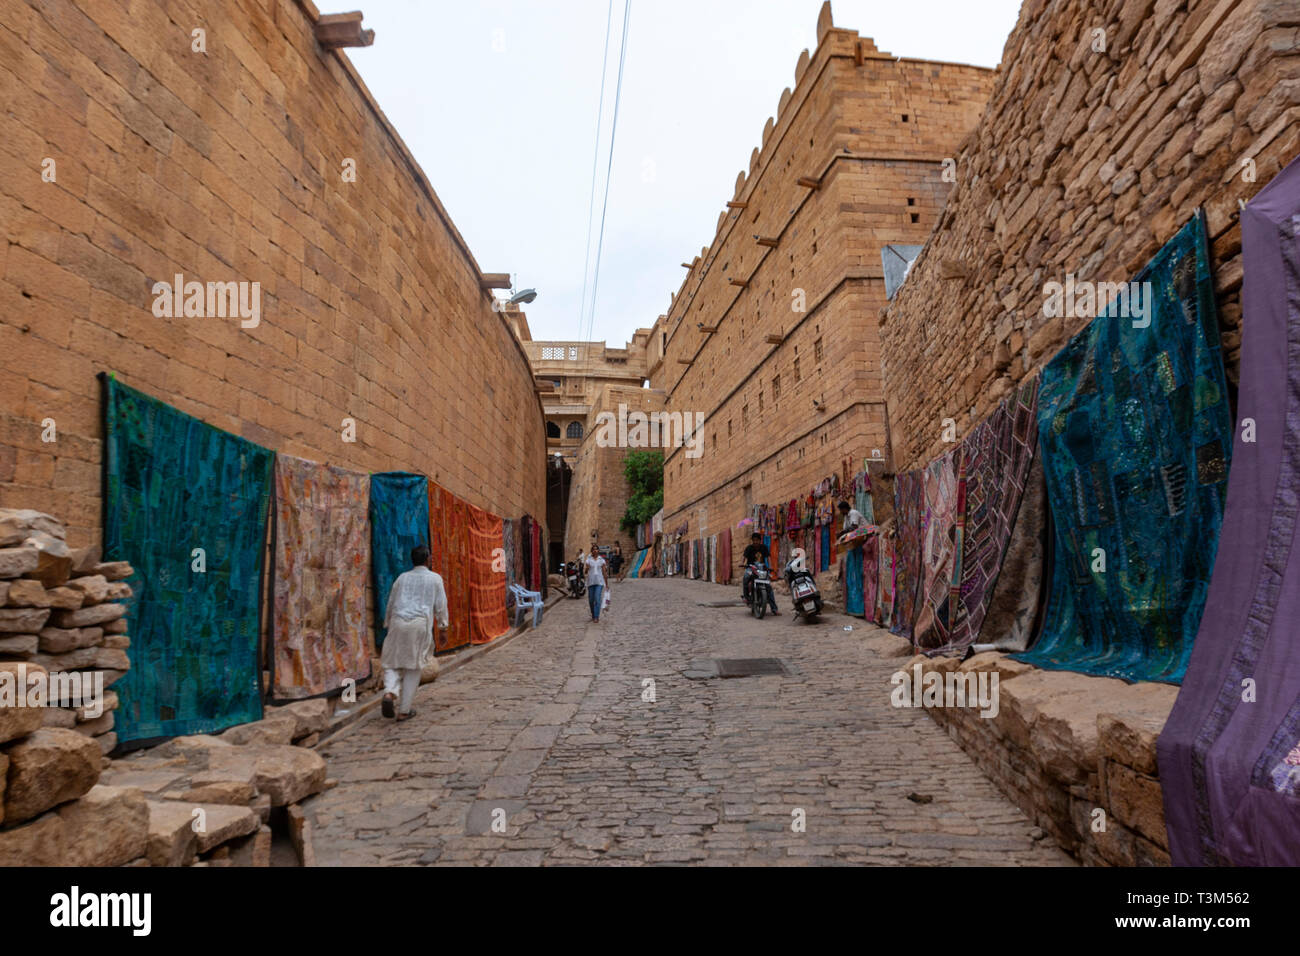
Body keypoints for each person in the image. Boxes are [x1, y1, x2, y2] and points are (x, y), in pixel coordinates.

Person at [381, 545, 448, 721]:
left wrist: (388, 622)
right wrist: (443, 627)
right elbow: (441, 605)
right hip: (418, 625)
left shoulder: (402, 578)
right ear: (428, 559)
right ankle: (404, 710)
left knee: (391, 661)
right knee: (413, 666)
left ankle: (389, 692)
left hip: (398, 621)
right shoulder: (435, 579)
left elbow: (391, 601)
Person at [741, 532, 778, 615]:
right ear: (752, 541)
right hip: (751, 568)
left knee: (768, 587)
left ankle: (774, 609)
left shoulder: (764, 548)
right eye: (754, 540)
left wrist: (770, 566)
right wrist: (743, 563)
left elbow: (768, 557)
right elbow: (744, 557)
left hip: (761, 568)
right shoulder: (749, 548)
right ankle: (746, 596)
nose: (755, 542)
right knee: (746, 578)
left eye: (757, 540)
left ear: (760, 541)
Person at [584, 549, 608, 622]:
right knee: (591, 600)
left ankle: (596, 617)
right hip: (591, 582)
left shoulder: (602, 560)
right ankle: (593, 614)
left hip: (599, 582)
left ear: (598, 551)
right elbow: (585, 571)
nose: (595, 550)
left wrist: (606, 583)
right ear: (592, 551)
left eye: (596, 549)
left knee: (597, 599)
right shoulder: (588, 560)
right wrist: (587, 569)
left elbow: (604, 572)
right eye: (594, 549)